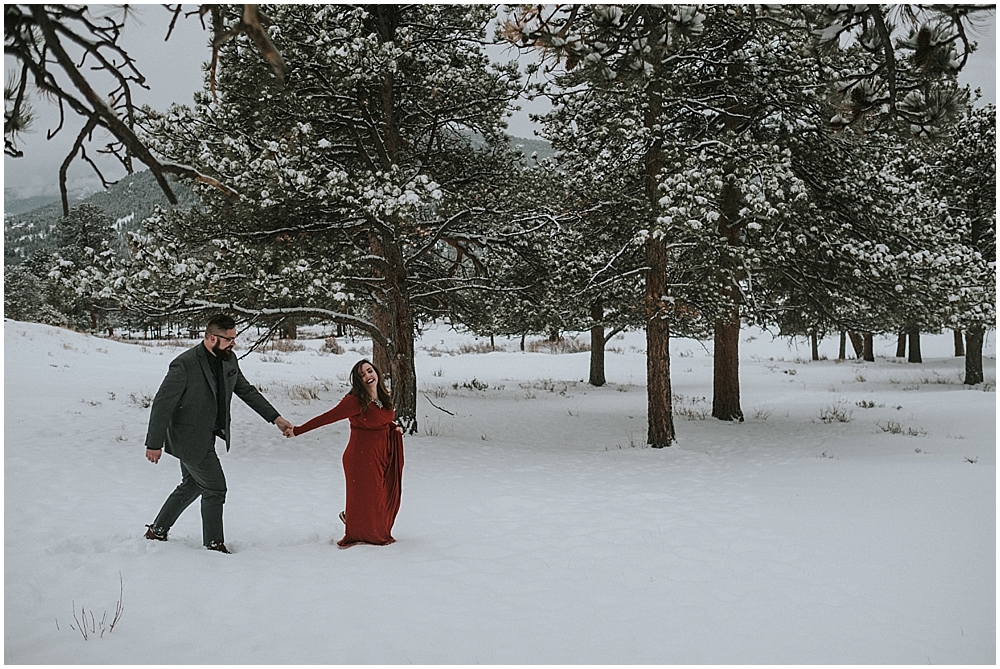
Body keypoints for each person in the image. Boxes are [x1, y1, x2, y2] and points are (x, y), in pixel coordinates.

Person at [143, 314, 293, 553]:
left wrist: (275, 418)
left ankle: (157, 530)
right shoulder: (185, 364)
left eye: (234, 338)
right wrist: (154, 443)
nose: (233, 343)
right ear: (212, 338)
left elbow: (246, 390)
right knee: (215, 488)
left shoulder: (229, 359)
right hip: (189, 438)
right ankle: (214, 544)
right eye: (229, 339)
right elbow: (163, 403)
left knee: (192, 485)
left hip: (208, 435)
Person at [284, 359, 404, 549]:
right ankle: (361, 530)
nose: (367, 376)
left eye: (369, 371)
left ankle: (352, 517)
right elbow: (327, 417)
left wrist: (393, 429)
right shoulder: (355, 401)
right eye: (362, 375)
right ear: (358, 381)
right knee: (370, 498)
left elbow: (382, 420)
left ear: (377, 373)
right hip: (361, 457)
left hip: (381, 455)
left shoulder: (382, 396)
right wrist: (297, 430)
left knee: (378, 497)